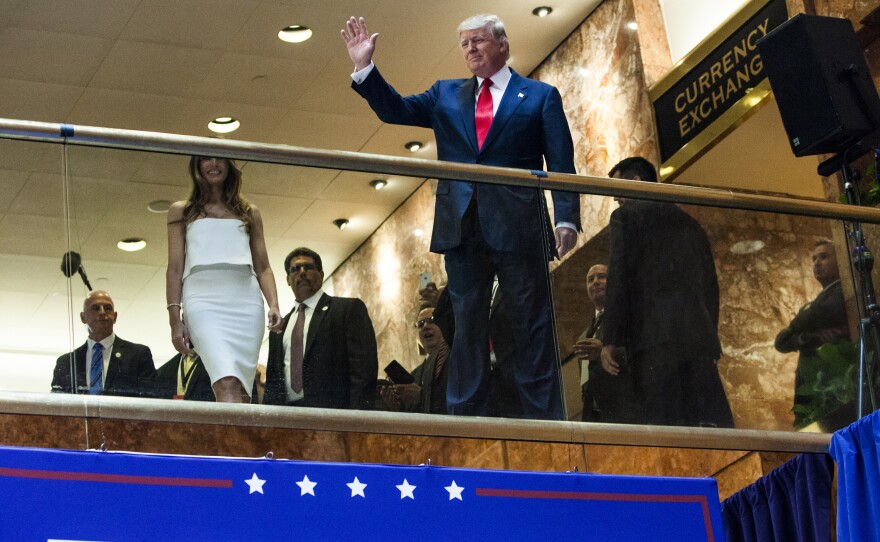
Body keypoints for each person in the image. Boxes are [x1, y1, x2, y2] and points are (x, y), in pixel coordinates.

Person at [342, 14, 580, 419]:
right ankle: (465, 419)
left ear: (502, 44)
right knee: (466, 327)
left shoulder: (540, 96)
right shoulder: (446, 94)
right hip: (462, 226)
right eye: (464, 42)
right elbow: (395, 109)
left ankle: (545, 422)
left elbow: (561, 163)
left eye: (478, 40)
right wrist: (364, 67)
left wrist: (567, 218)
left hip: (520, 226)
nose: (470, 48)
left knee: (532, 325)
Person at [600, 157, 734, 428]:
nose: (616, 199)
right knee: (710, 427)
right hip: (699, 341)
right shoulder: (691, 224)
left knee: (667, 429)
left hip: (654, 342)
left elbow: (619, 277)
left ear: (635, 181)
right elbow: (711, 287)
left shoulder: (626, 216)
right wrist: (708, 332)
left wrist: (609, 339)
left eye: (617, 189)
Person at [166, 156, 282, 403]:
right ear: (197, 167)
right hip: (202, 299)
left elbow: (263, 267)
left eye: (220, 158)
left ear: (230, 166)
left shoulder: (249, 213)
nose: (214, 164)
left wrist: (273, 304)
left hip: (246, 300)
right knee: (226, 381)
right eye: (207, 159)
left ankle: (235, 430)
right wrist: (174, 320)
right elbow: (174, 268)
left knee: (242, 388)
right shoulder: (181, 211)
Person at [263, 247, 378, 409]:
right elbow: (272, 384)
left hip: (335, 414)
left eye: (309, 267)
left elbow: (364, 371)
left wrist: (357, 417)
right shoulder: (280, 328)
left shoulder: (346, 310)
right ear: (288, 280)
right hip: (289, 416)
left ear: (321, 274)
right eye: (295, 269)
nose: (302, 272)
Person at [775, 240, 852, 429]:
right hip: (813, 397)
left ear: (841, 261)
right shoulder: (820, 299)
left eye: (824, 257)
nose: (817, 263)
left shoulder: (843, 293)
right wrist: (808, 337)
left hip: (834, 395)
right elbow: (781, 341)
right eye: (814, 259)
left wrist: (799, 322)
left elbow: (818, 312)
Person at [51, 290, 155, 396]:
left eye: (107, 308)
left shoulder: (137, 355)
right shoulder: (67, 363)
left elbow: (151, 398)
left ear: (115, 316)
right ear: (83, 317)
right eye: (96, 308)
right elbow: (56, 402)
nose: (102, 312)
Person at [572, 264, 641, 423]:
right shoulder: (584, 336)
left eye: (602, 277)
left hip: (628, 414)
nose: (595, 282)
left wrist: (604, 353)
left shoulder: (629, 318)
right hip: (596, 420)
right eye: (590, 279)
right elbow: (585, 384)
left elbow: (641, 360)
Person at [381, 306, 450, 414]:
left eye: (431, 320)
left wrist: (422, 396)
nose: (425, 326)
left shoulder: (454, 358)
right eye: (421, 324)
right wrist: (397, 409)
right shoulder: (415, 375)